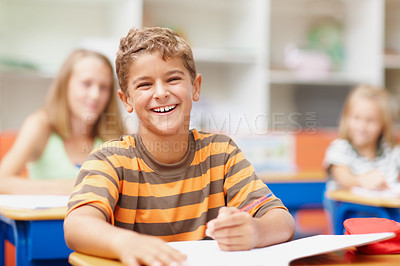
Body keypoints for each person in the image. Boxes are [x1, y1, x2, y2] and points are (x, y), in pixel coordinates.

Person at [64, 27, 295, 266]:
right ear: (126, 100)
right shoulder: (109, 159)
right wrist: (124, 243)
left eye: (173, 79)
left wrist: (256, 231)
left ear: (195, 87)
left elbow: (282, 220)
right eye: (145, 85)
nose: (161, 93)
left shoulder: (222, 154)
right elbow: (77, 225)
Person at [0, 49, 123, 195]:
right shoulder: (40, 125)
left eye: (104, 87)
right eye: (86, 84)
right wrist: (72, 186)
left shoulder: (115, 135)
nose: (95, 95)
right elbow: (3, 181)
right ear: (65, 85)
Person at [324, 85, 400, 191]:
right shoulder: (340, 149)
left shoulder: (392, 151)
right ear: (347, 118)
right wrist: (361, 180)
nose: (362, 127)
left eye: (370, 120)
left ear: (383, 124)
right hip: (349, 207)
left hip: (387, 206)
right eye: (356, 118)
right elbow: (344, 178)